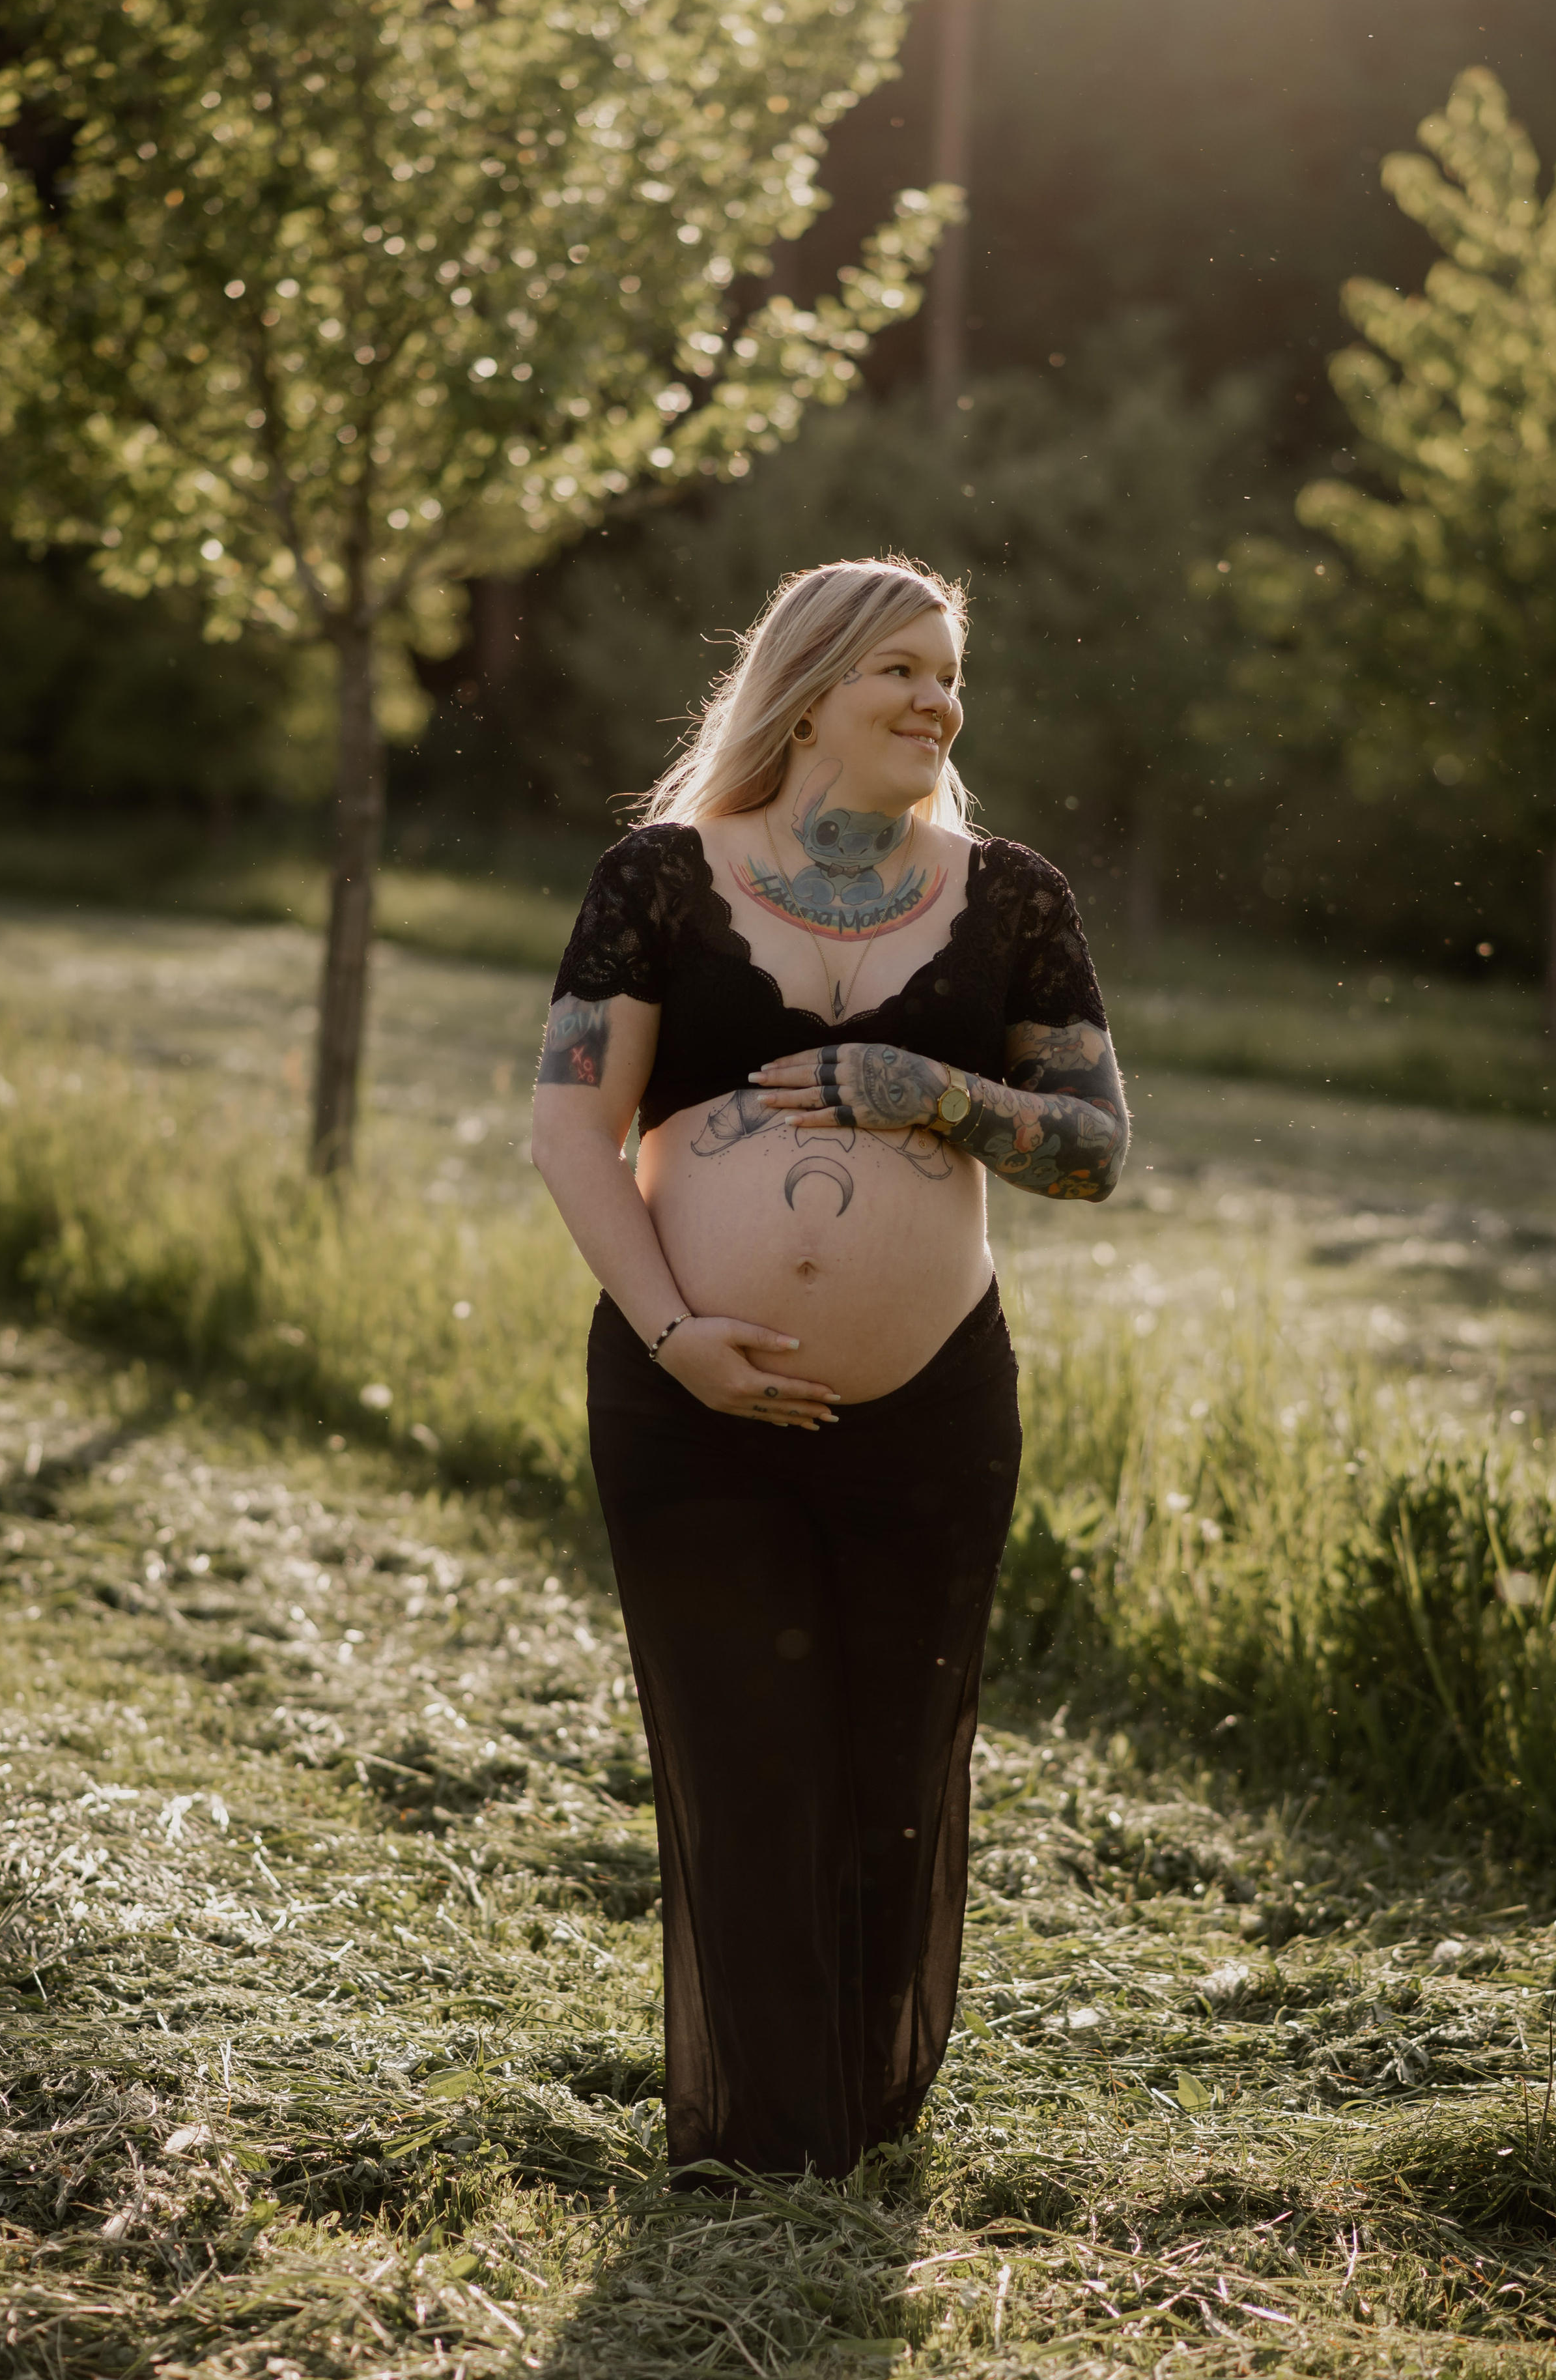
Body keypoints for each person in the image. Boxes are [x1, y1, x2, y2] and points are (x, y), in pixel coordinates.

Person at [530, 556, 1127, 2183]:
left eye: (950, 675)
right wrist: (675, 1336)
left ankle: (864, 2129)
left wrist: (919, 1088)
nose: (938, 699)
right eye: (901, 672)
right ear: (808, 693)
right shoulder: (660, 877)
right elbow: (572, 1128)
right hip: (684, 1394)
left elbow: (1089, 1148)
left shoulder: (1009, 897)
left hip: (931, 1402)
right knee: (740, 1759)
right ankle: (762, 2154)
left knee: (890, 1772)